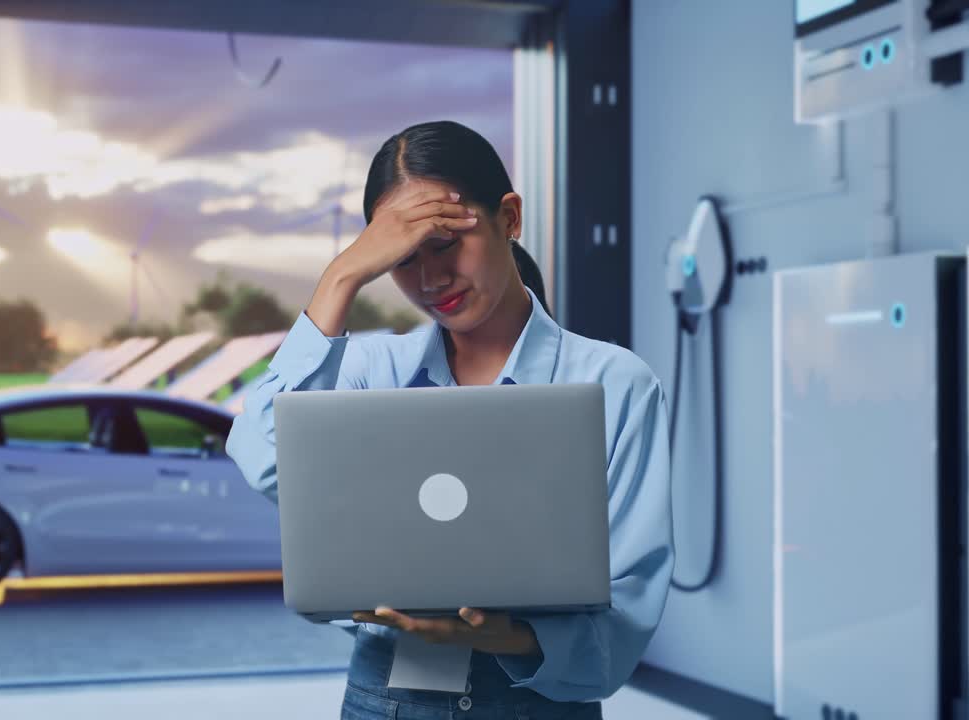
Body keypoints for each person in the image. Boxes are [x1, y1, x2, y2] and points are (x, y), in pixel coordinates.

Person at [226, 120, 673, 719]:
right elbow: (262, 454)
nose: (431, 281)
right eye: (401, 259)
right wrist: (341, 277)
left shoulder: (614, 383)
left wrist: (509, 637)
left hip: (538, 704)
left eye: (445, 244)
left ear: (509, 218)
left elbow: (627, 614)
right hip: (387, 699)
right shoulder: (369, 371)